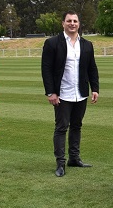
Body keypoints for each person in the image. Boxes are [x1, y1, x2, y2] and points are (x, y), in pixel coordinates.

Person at [41, 11, 99, 177]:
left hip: (80, 93)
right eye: (69, 21)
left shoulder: (87, 44)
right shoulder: (52, 43)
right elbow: (46, 69)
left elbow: (92, 68)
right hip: (62, 93)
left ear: (79, 24)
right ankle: (60, 163)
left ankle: (74, 158)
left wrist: (95, 88)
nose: (72, 23)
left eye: (75, 21)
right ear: (63, 23)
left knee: (77, 126)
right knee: (61, 127)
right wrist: (51, 92)